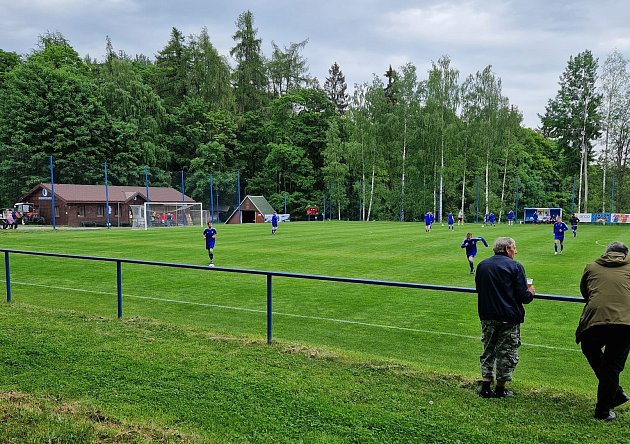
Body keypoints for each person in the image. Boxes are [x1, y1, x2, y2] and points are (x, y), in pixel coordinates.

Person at [576, 242, 630, 421]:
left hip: (595, 321)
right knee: (611, 368)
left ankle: (613, 396)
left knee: (591, 350)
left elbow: (586, 292)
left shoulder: (591, 267)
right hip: (625, 323)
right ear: (624, 254)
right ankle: (604, 410)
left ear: (607, 253)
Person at [475, 237, 535, 398]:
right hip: (509, 317)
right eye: (514, 248)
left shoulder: (482, 265)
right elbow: (524, 297)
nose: (516, 251)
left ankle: (485, 385)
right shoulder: (515, 267)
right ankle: (500, 389)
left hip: (487, 315)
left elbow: (479, 288)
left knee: (488, 349)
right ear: (508, 249)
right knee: (507, 352)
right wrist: (531, 291)